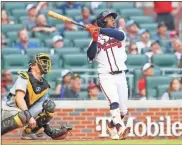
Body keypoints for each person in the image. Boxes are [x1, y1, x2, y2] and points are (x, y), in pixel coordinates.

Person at [1, 53, 71, 139]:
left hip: (23, 112)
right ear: (33, 65)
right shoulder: (25, 76)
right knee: (24, 115)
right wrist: (29, 117)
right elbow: (19, 99)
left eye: (46, 62)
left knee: (49, 105)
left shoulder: (44, 85)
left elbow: (41, 111)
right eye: (42, 62)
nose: (45, 64)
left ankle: (29, 132)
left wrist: (50, 132)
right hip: (8, 110)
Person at [85, 10, 130, 140]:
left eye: (113, 18)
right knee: (114, 101)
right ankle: (120, 128)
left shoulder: (119, 34)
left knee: (123, 111)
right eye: (110, 18)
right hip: (106, 75)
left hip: (121, 75)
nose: (113, 20)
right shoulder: (96, 39)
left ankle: (111, 126)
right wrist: (94, 39)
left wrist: (99, 29)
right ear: (103, 21)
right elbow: (90, 56)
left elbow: (120, 36)